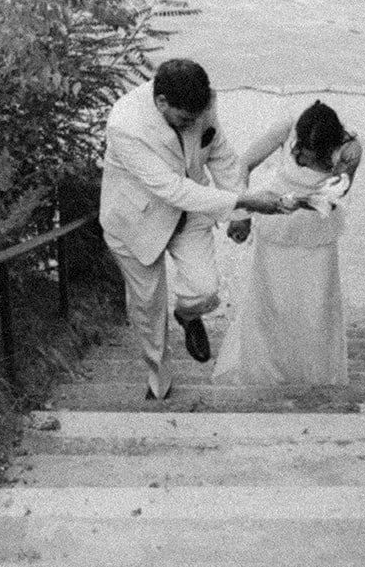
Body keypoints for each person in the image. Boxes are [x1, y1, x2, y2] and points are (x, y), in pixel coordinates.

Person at [99, 58, 288, 401]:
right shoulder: (124, 126)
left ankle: (187, 316)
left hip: (190, 210)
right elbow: (171, 188)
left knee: (205, 291)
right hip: (136, 220)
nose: (194, 124)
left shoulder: (202, 104)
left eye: (198, 117)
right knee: (147, 307)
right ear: (161, 103)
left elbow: (222, 156)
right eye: (186, 119)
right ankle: (159, 381)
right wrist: (244, 201)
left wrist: (241, 212)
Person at [213, 100, 362, 387]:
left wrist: (304, 201)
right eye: (302, 151)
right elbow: (242, 165)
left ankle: (315, 379)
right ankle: (266, 375)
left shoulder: (351, 149)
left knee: (316, 307)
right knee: (272, 304)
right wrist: (241, 213)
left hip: (318, 233)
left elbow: (336, 195)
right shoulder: (285, 127)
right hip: (277, 228)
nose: (305, 158)